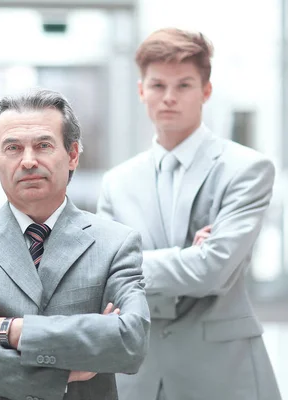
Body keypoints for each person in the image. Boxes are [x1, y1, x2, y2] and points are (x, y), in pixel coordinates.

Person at [0, 89, 150, 400]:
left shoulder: (115, 243)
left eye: (43, 146)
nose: (28, 161)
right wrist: (63, 375)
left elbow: (130, 343)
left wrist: (12, 330)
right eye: (13, 148)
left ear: (72, 154)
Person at [97, 28, 282, 400]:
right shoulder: (117, 182)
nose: (168, 98)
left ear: (206, 91)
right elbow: (103, 278)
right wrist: (188, 257)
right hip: (139, 376)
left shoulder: (247, 168)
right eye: (157, 85)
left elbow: (211, 270)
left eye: (183, 85)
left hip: (224, 375)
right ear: (141, 91)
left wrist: (129, 264)